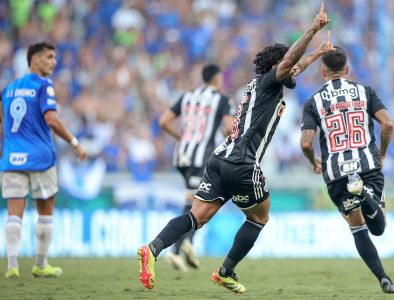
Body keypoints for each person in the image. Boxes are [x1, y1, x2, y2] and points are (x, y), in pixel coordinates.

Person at [137, 3, 334, 293]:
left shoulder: (260, 84)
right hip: (242, 163)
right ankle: (226, 271)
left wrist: (318, 53)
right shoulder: (271, 82)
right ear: (277, 67)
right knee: (259, 216)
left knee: (197, 216)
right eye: (289, 66)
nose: (295, 71)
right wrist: (313, 29)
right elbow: (291, 60)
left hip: (219, 159)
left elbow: (296, 64)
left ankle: (152, 249)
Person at [299, 46, 394, 294]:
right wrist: (382, 154)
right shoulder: (365, 92)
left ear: (322, 72)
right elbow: (387, 124)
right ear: (347, 70)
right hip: (367, 166)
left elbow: (305, 142)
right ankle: (363, 193)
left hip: (336, 173)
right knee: (379, 228)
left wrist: (313, 161)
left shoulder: (313, 101)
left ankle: (383, 278)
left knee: (358, 227)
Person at [1, 42, 87, 279]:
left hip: (12, 158)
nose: (54, 62)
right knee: (45, 211)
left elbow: (3, 121)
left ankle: (12, 266)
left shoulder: (8, 89)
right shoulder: (44, 86)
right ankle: (40, 264)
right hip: (40, 157)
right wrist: (75, 143)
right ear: (35, 59)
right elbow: (52, 119)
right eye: (49, 57)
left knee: (13, 213)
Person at [158, 64, 235, 272]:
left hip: (182, 156)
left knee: (195, 199)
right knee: (201, 201)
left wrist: (181, 138)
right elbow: (229, 128)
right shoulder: (222, 99)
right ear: (218, 79)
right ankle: (178, 248)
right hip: (200, 158)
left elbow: (164, 121)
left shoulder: (187, 96)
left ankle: (186, 244)